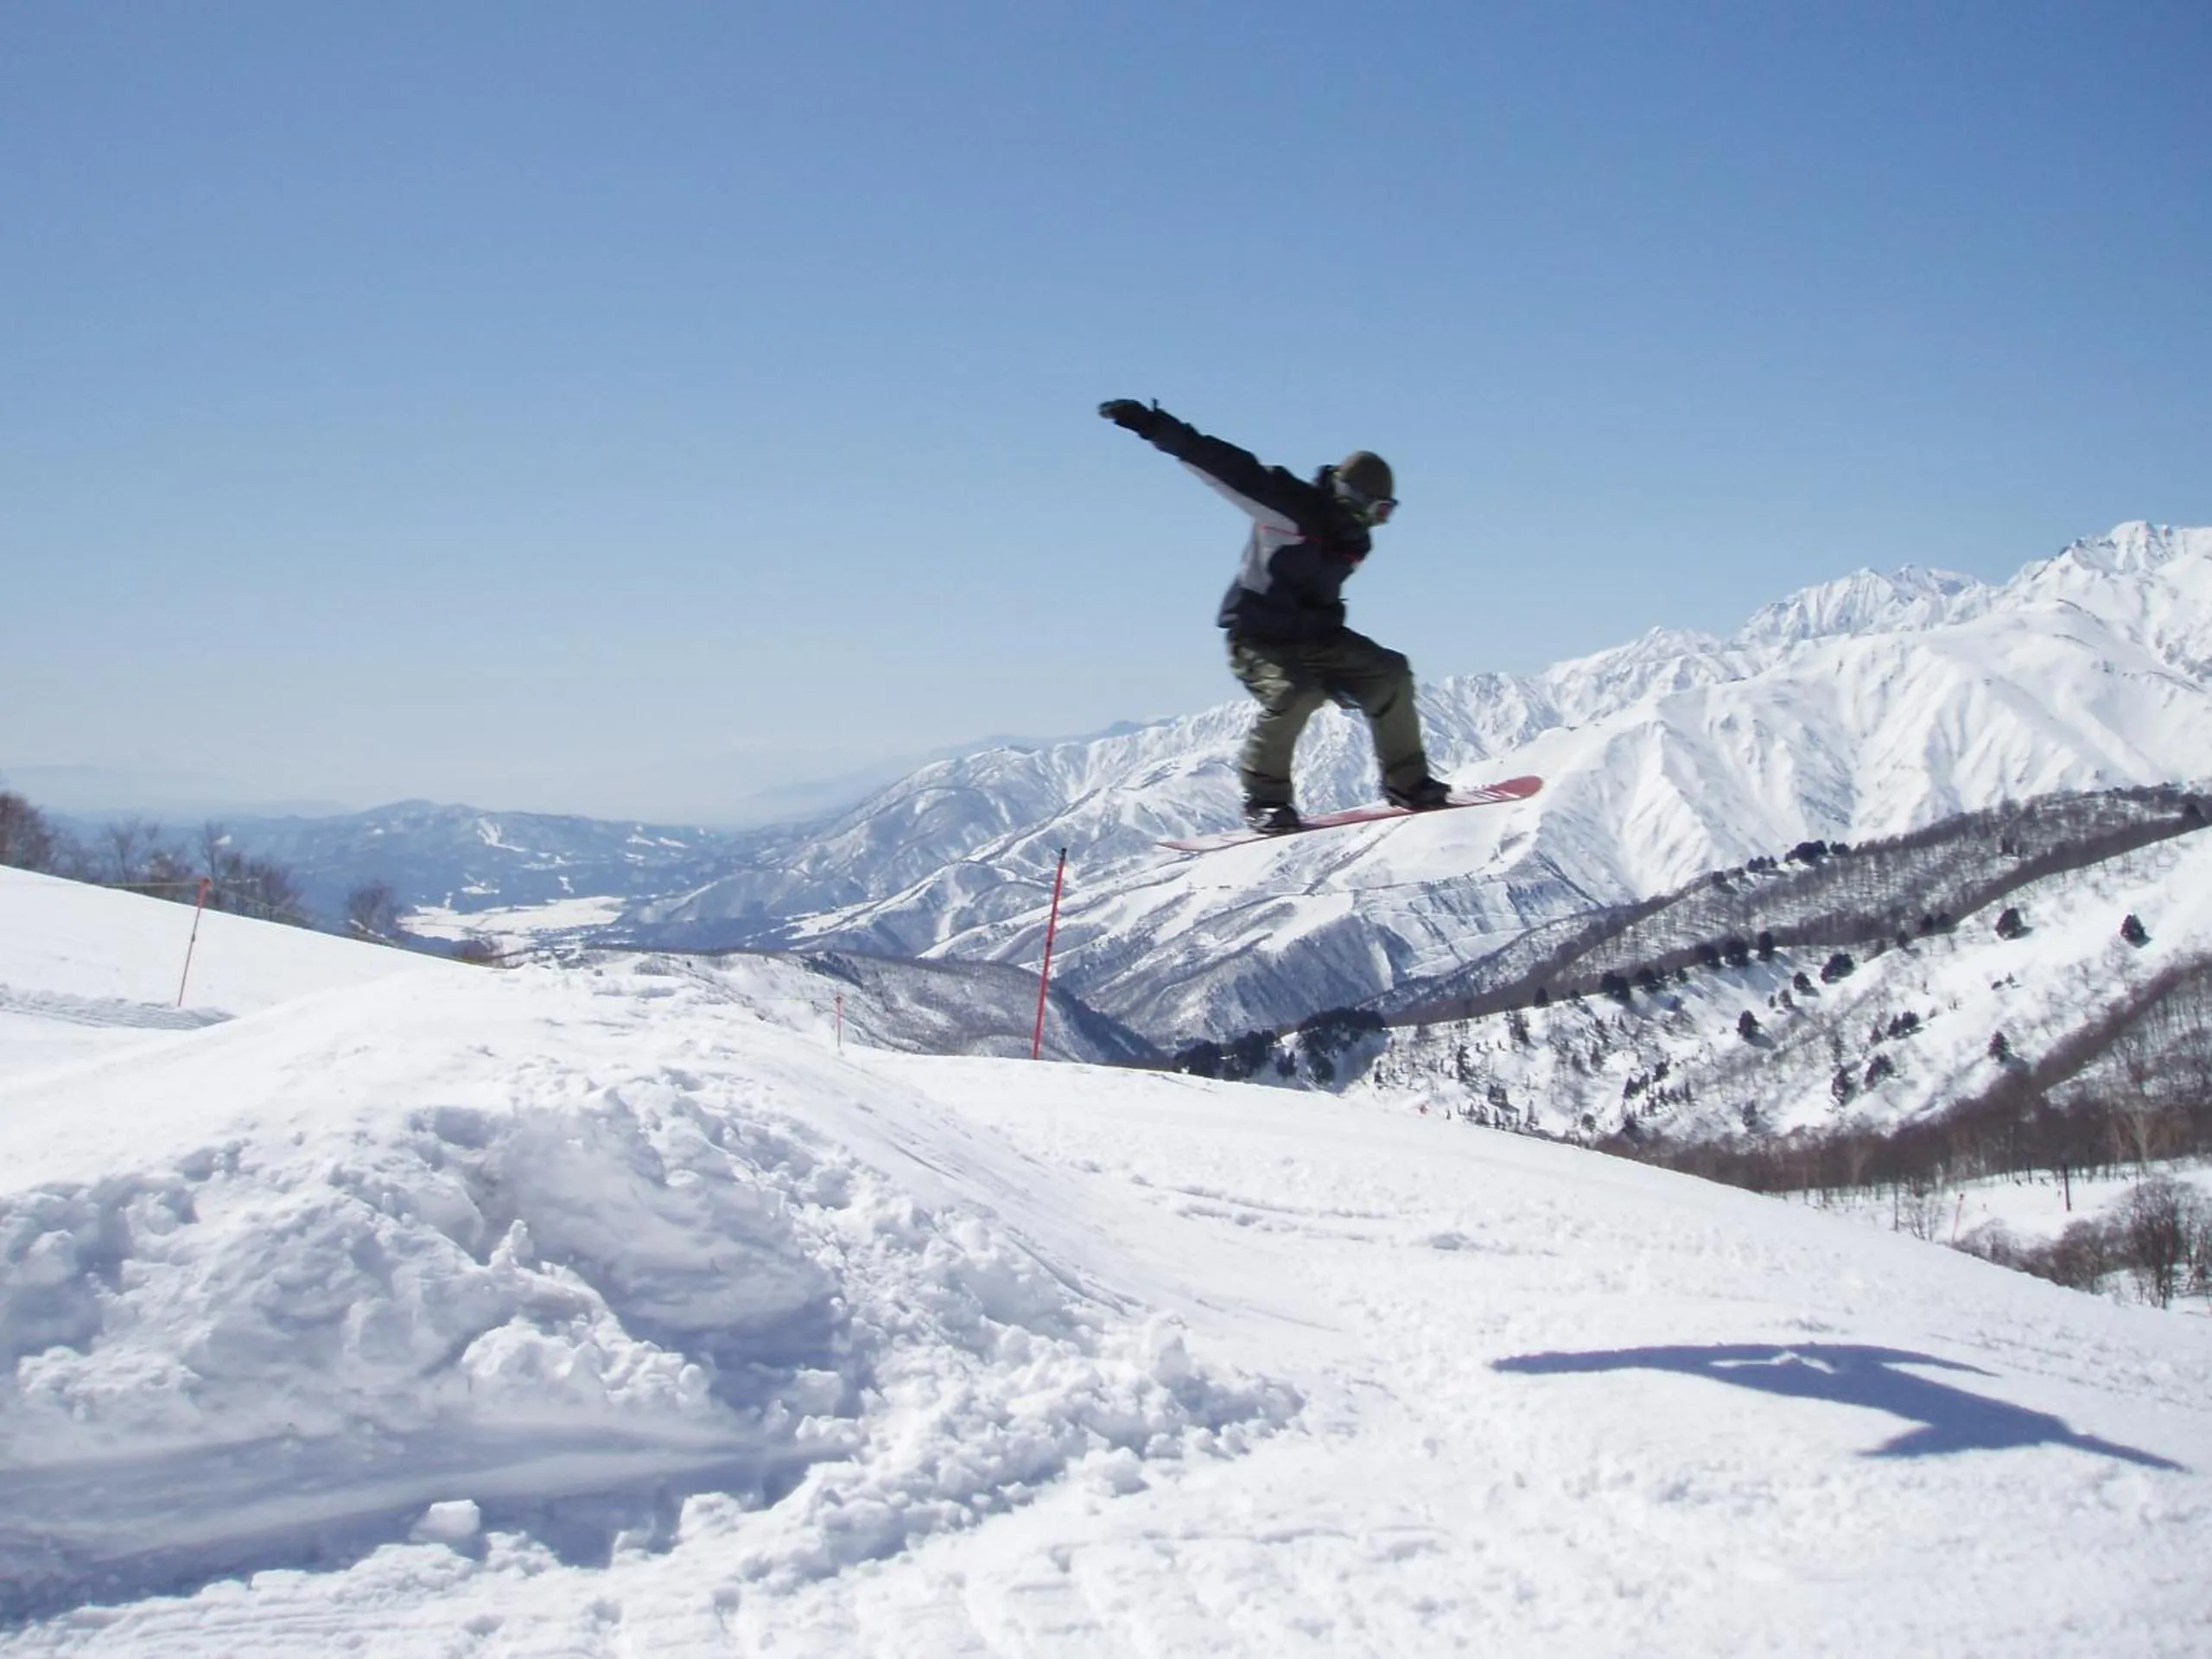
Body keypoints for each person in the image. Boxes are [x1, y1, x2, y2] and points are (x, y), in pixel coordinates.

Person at [1099, 397, 1452, 834]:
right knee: (1295, 693)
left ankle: (1409, 783)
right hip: (1257, 638)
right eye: (1378, 510)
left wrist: (1339, 671)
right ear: (1350, 497)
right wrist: (1152, 425)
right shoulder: (1288, 505)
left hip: (1318, 637)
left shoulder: (1355, 538)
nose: (1380, 522)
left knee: (1391, 672)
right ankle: (1265, 800)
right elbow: (1221, 463)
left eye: (1388, 512)